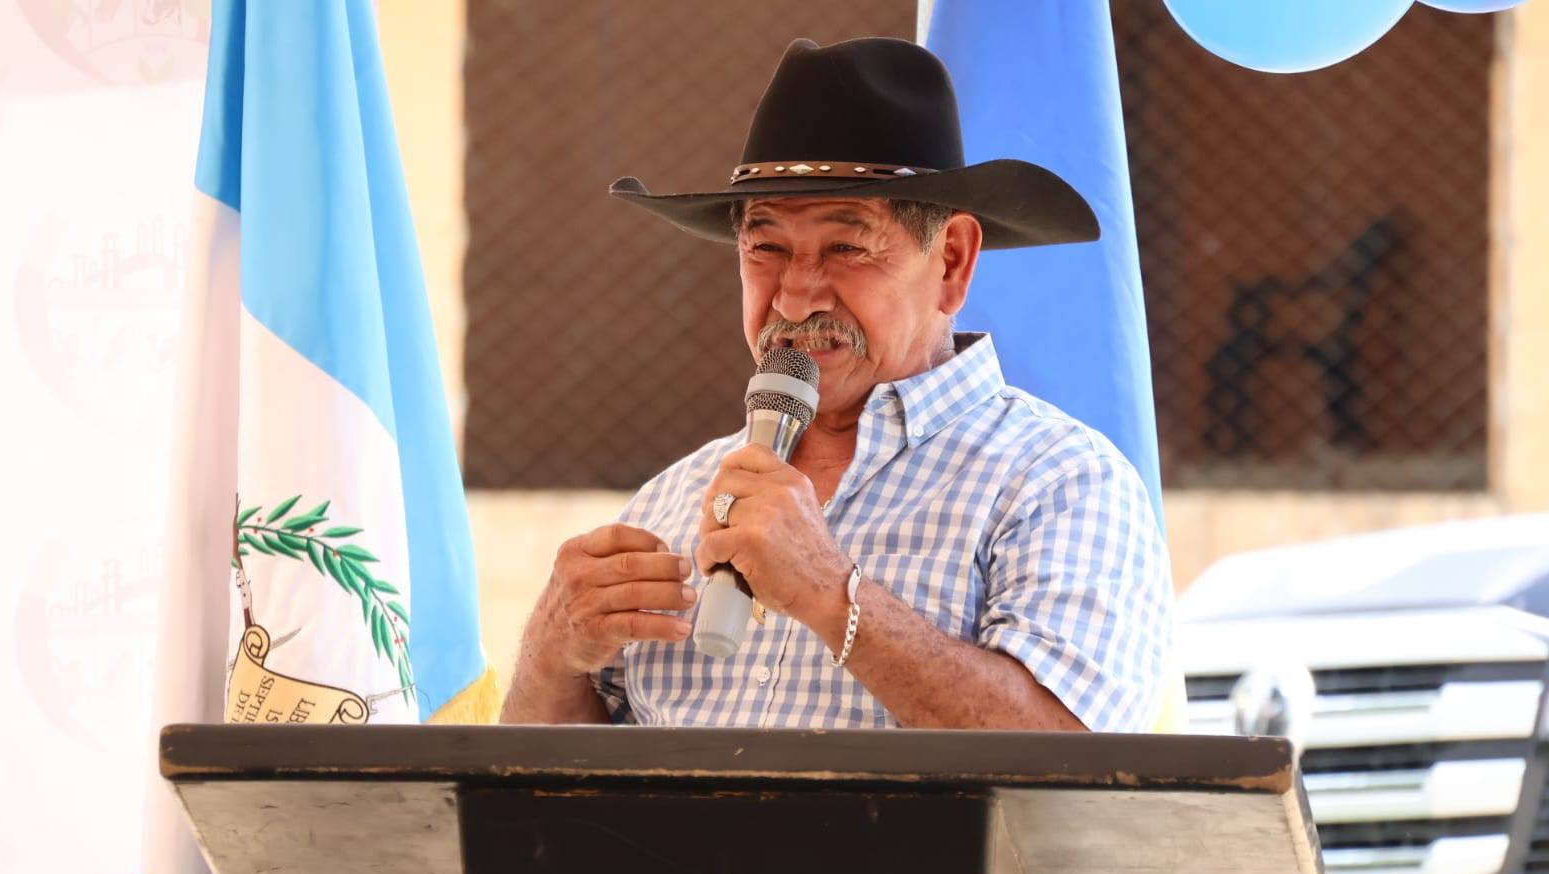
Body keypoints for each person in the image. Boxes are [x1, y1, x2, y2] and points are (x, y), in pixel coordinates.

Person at [499, 36, 1171, 731]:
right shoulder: (668, 500)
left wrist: (830, 592)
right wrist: (549, 654)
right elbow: (542, 791)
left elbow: (1073, 763)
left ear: (951, 261)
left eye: (846, 247)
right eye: (766, 247)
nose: (794, 299)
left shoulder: (1060, 482)